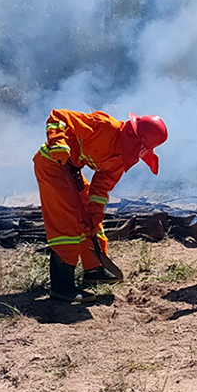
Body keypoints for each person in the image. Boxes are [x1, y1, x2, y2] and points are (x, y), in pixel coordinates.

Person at [34, 110, 168, 302]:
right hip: (53, 164)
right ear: (133, 137)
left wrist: (94, 215)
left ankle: (94, 270)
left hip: (72, 172)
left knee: (89, 222)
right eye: (143, 148)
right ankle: (62, 286)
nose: (142, 153)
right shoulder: (104, 127)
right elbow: (59, 116)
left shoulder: (121, 159)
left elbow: (100, 190)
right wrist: (58, 143)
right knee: (67, 223)